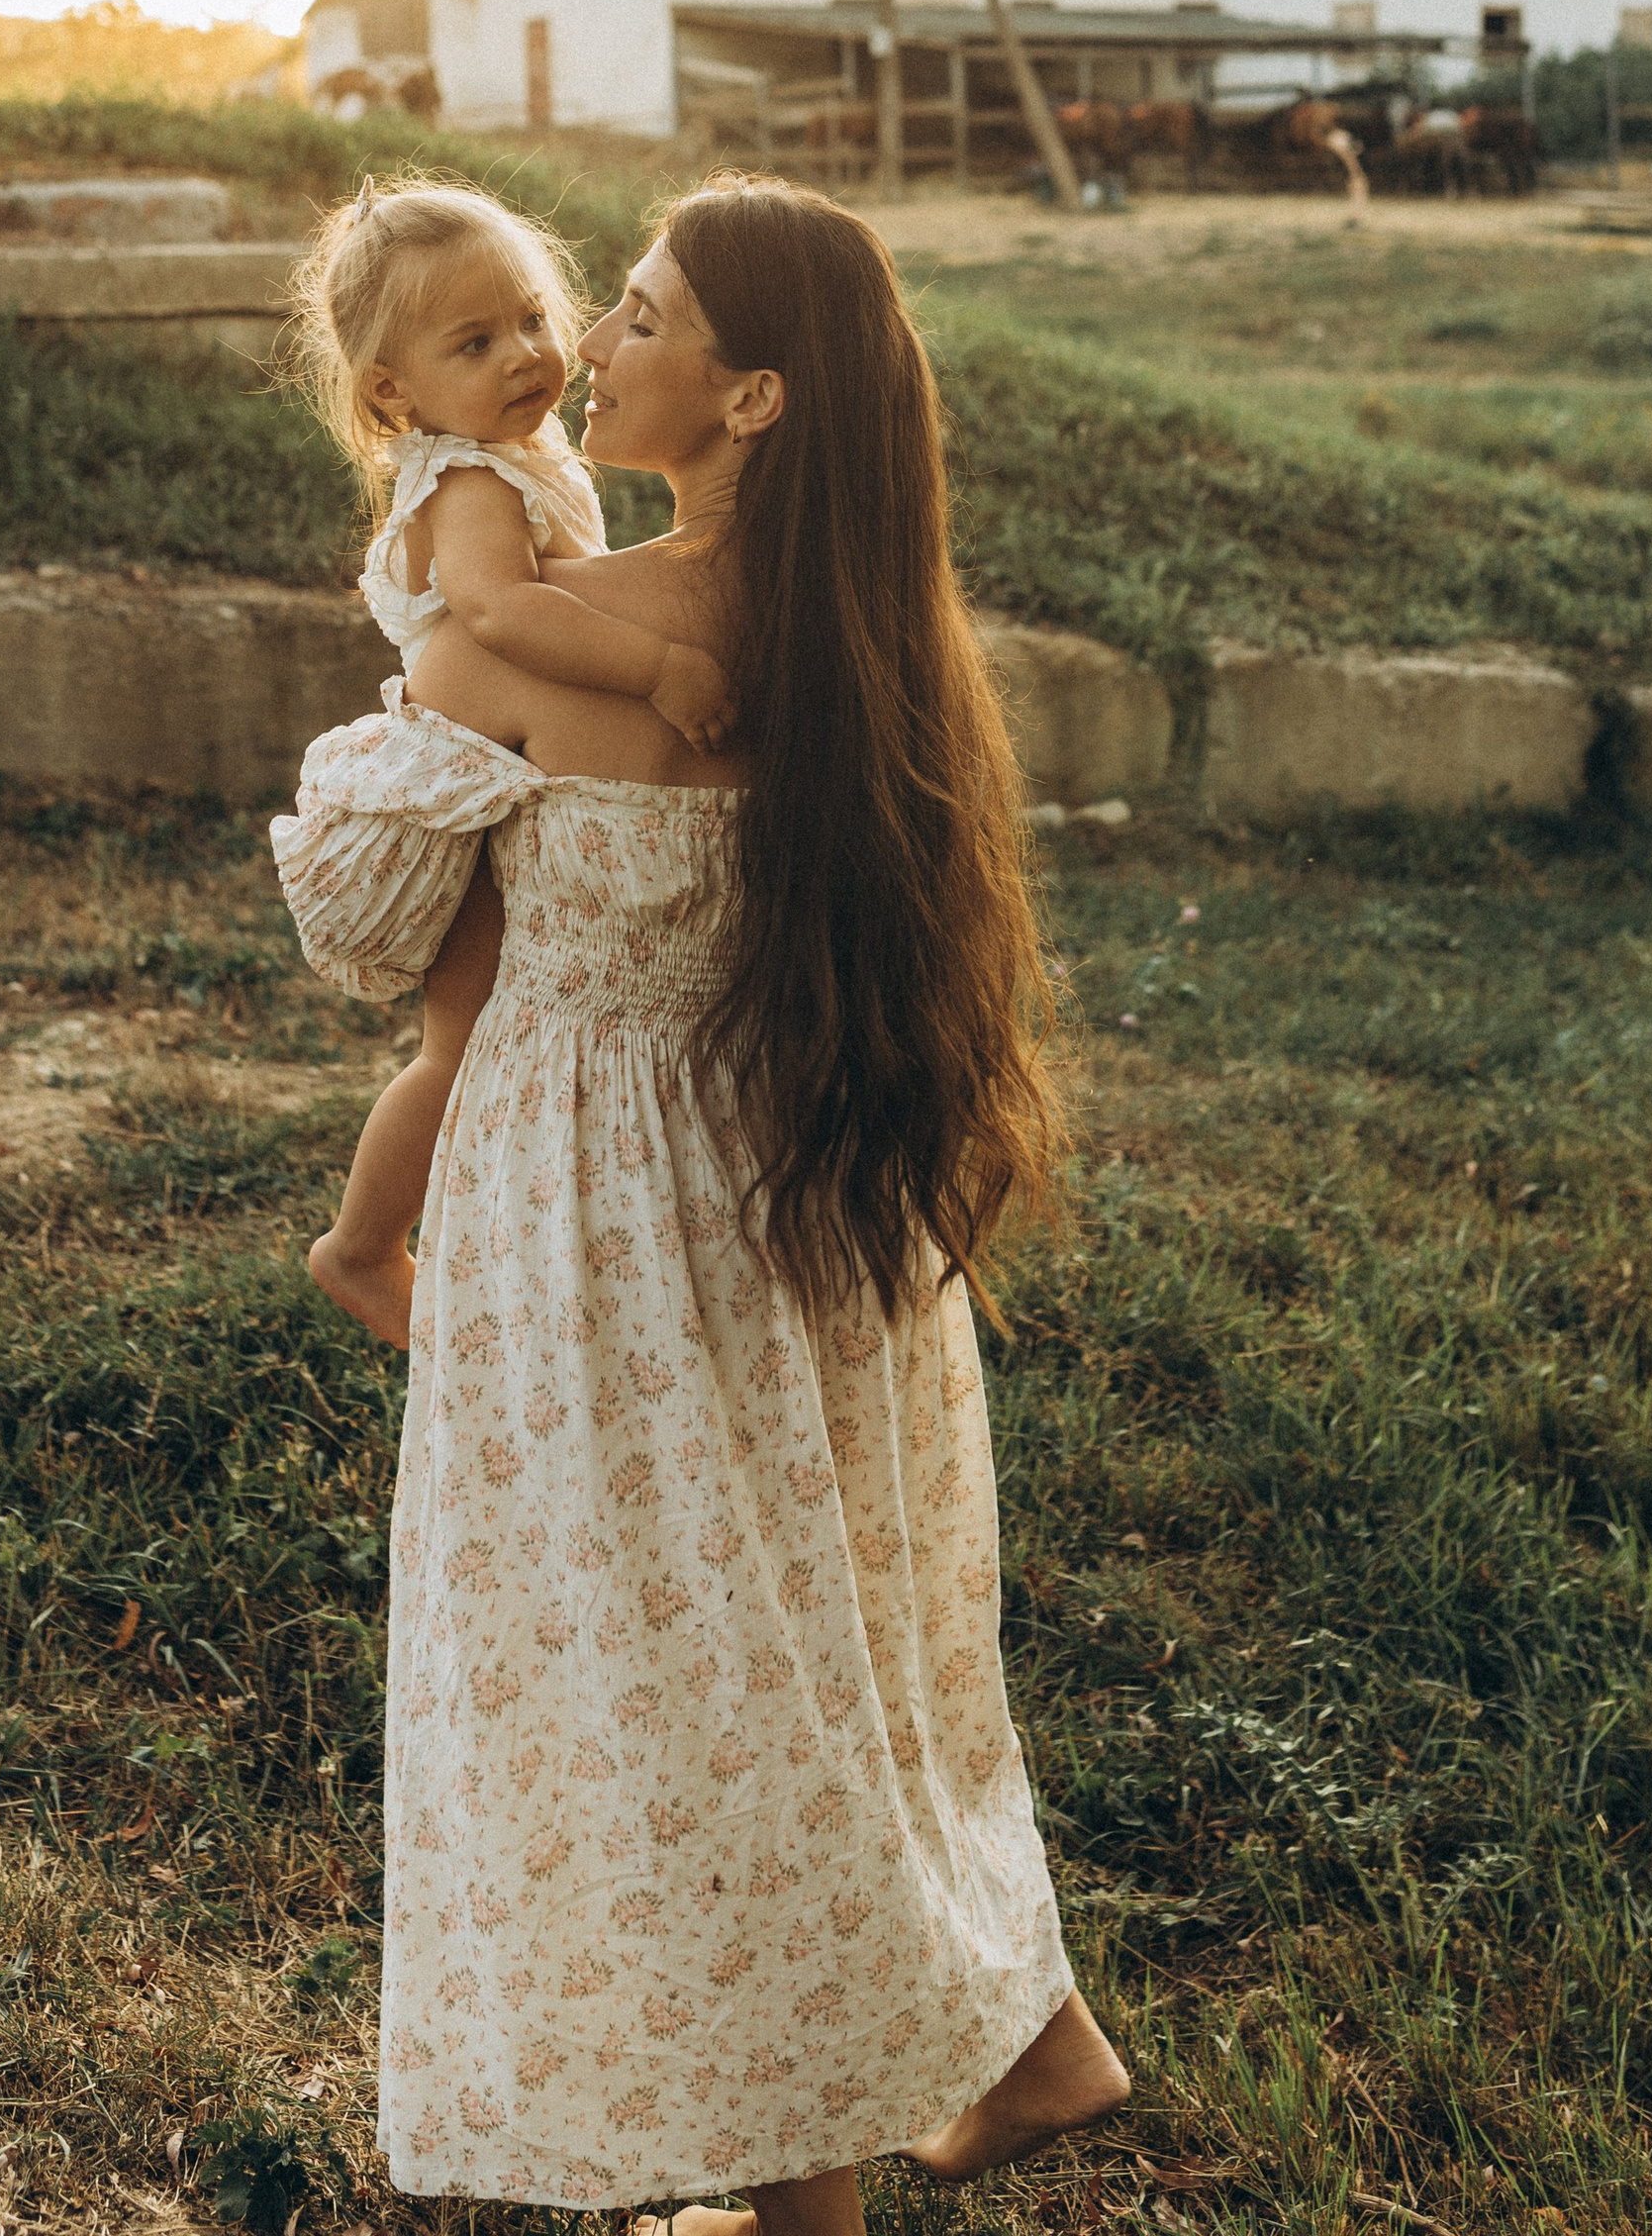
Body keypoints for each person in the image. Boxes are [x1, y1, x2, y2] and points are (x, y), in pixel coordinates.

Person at [270, 178, 1129, 2233]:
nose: (593, 347)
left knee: (676, 1700)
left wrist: (403, 751)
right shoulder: (861, 641)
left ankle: (809, 2193)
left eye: (633, 312)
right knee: (826, 1671)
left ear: (742, 400)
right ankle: (1020, 2046)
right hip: (810, 1218)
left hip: (598, 1231)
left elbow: (361, 912)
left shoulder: (572, 642)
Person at [284, 179, 735, 1345]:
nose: (531, 356)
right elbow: (496, 613)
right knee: (456, 1043)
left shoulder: (518, 454)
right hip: (460, 802)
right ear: (395, 390)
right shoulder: (470, 478)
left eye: (533, 319)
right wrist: (653, 666)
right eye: (475, 343)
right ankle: (362, 1248)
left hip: (499, 778)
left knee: (475, 1031)